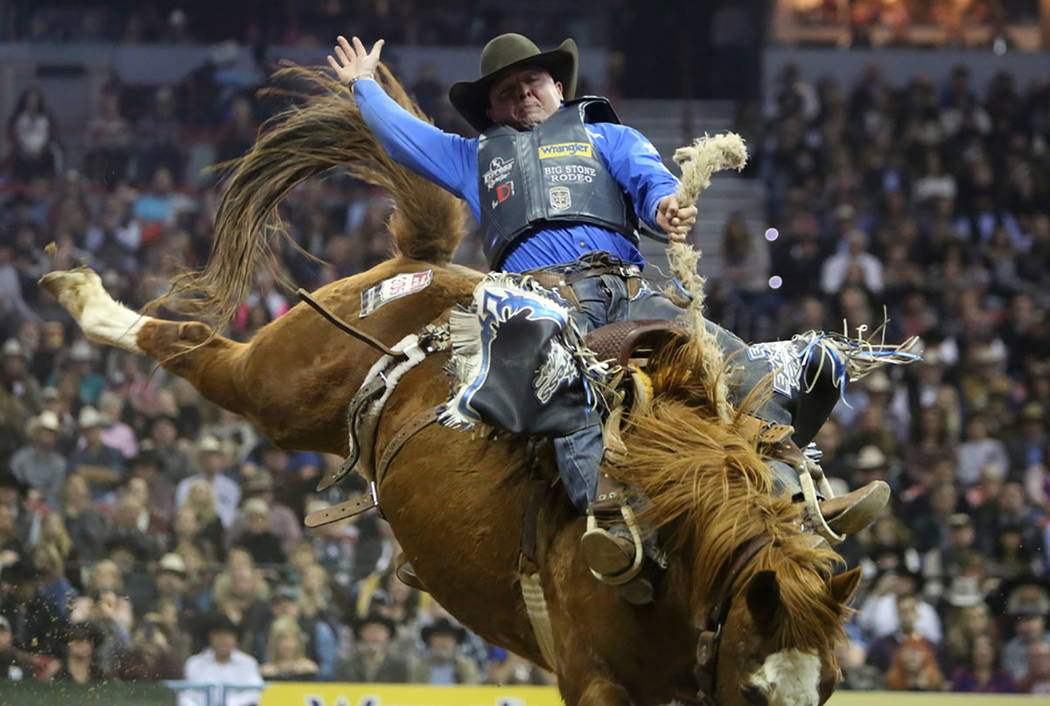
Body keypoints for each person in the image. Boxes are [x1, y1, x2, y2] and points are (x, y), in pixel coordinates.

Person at [327, 33, 899, 597]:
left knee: (736, 365)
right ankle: (613, 524)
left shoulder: (608, 137)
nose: (522, 95)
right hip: (539, 303)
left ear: (557, 86)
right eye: (506, 90)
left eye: (531, 82)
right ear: (492, 109)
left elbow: (652, 185)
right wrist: (362, 87)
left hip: (631, 289)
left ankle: (798, 495)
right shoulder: (473, 158)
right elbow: (407, 139)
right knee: (560, 384)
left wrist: (666, 204)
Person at [180, 613, 263, 706]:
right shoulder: (194, 663)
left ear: (236, 638)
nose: (223, 639)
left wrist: (228, 704)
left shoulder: (248, 663)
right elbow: (186, 696)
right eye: (218, 635)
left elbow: (255, 693)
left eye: (228, 635)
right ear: (209, 637)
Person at [336, 612, 412, 683]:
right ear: (360, 635)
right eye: (369, 630)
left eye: (379, 631)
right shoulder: (347, 665)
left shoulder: (400, 666)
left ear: (388, 636)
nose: (374, 636)